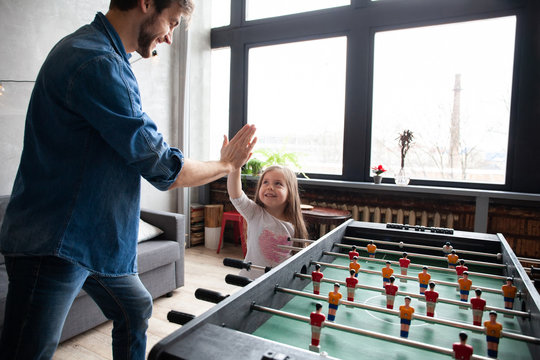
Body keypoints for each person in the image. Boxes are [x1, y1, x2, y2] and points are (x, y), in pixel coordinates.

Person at [0, 1, 257, 359]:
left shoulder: (99, 54)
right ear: (146, 3)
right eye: (172, 22)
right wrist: (226, 165)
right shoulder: (96, 63)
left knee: (135, 309)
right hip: (55, 243)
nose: (169, 36)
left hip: (92, 240)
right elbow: (164, 168)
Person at [227, 165, 307, 279]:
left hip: (279, 283)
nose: (270, 187)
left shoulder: (293, 224)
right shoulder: (254, 213)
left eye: (278, 183)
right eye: (265, 182)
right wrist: (236, 165)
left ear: (290, 193)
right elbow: (235, 195)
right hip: (250, 281)